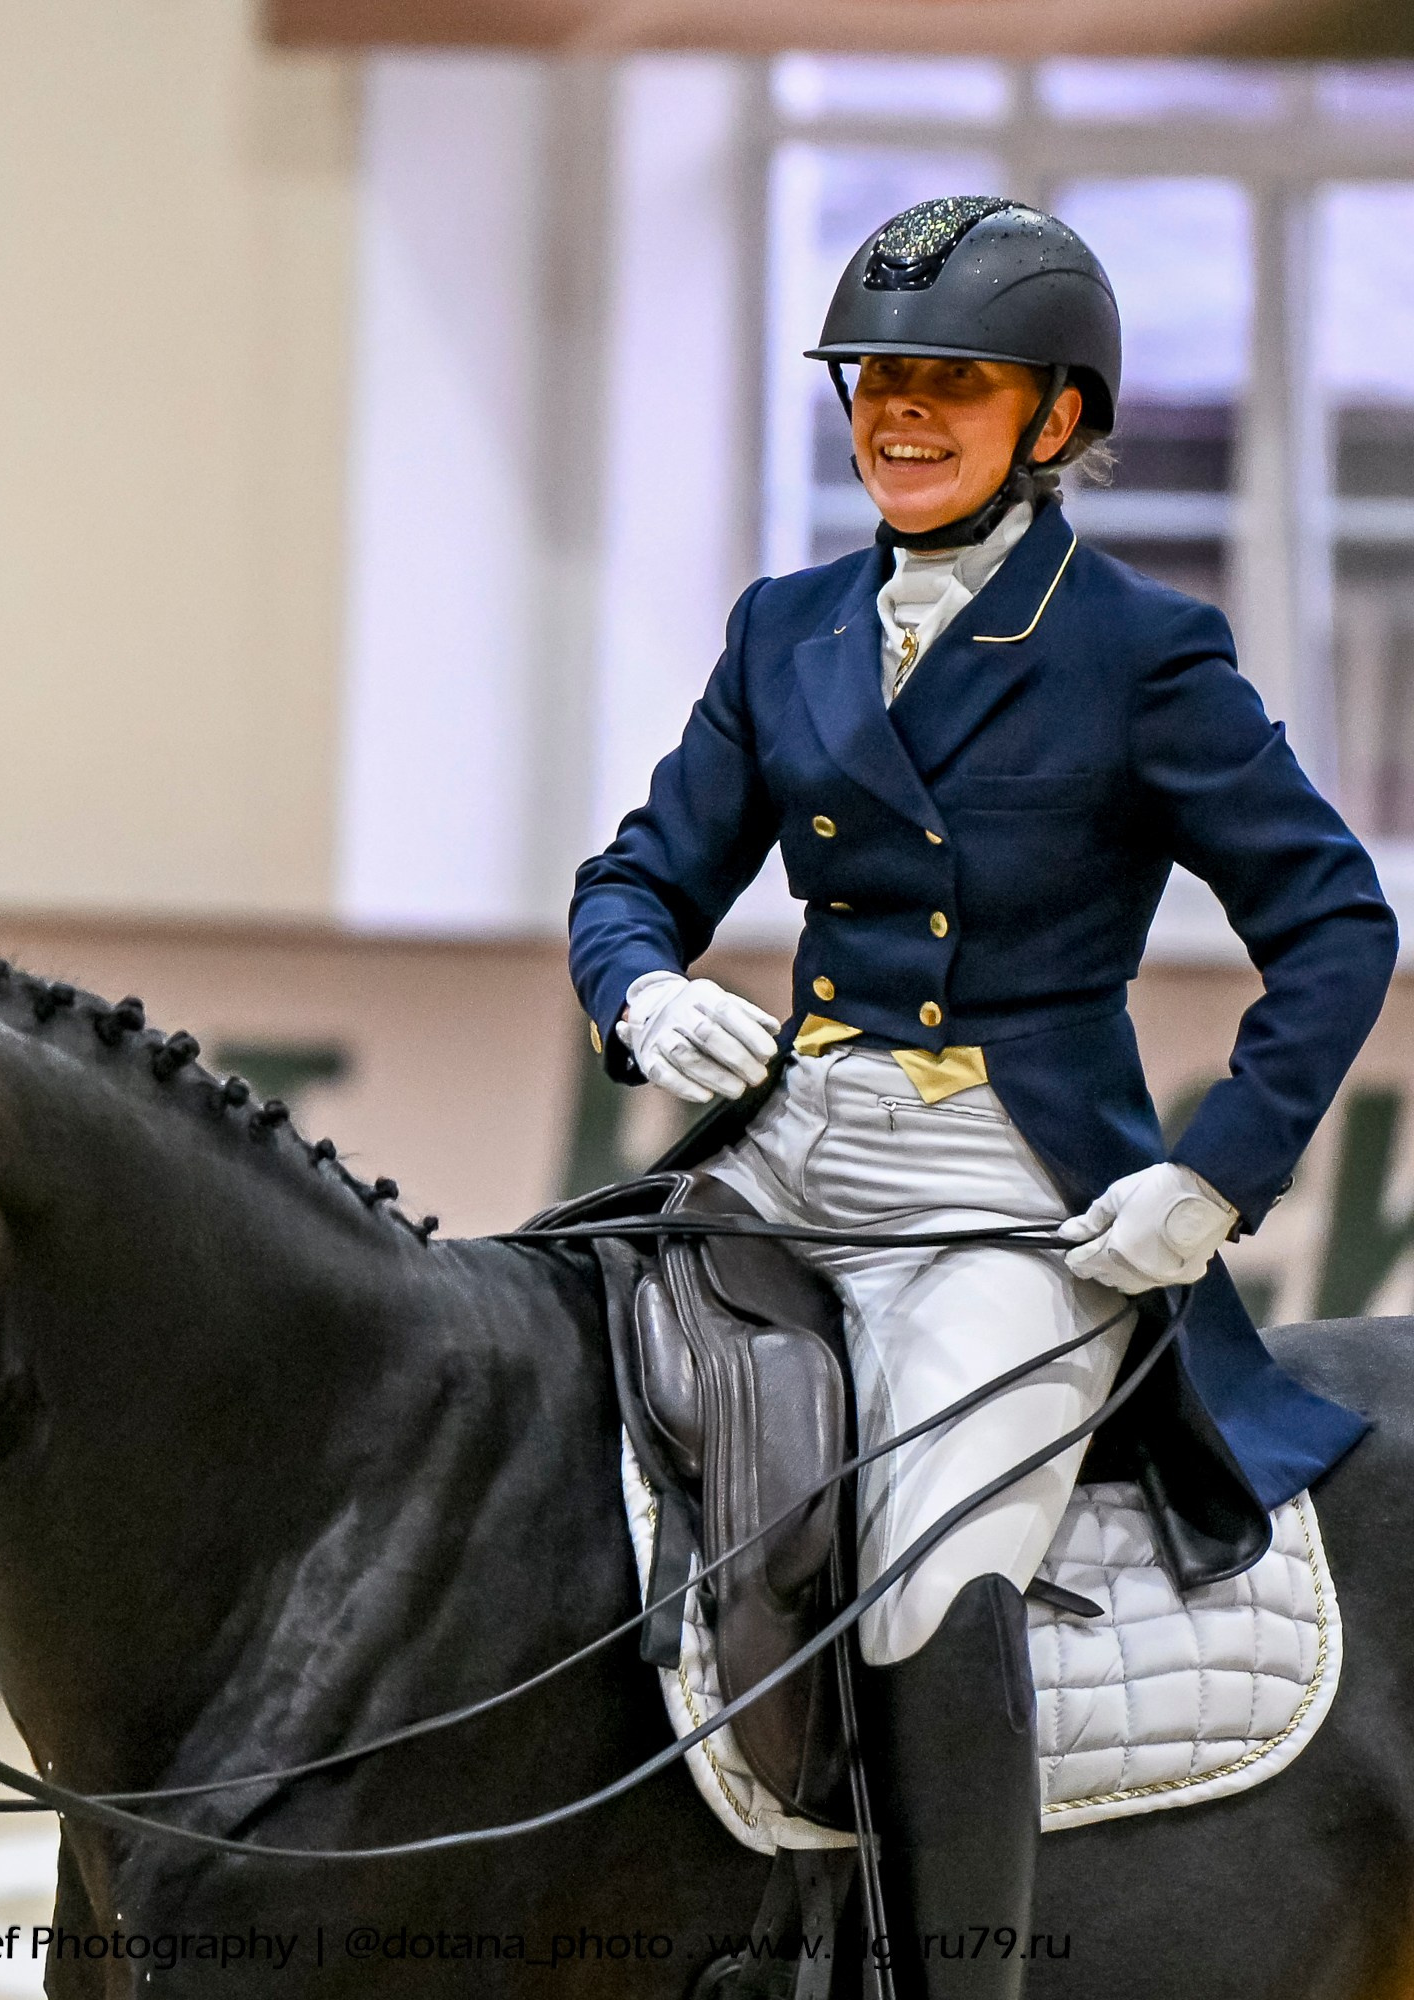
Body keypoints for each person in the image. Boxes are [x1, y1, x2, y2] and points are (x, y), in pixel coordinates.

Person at [567, 195, 1398, 1999]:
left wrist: (1211, 1178)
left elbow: (1335, 921)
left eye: (954, 380)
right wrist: (640, 988)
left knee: (932, 1557)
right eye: (876, 378)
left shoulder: (1140, 649)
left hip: (1012, 1185)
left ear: (1058, 418)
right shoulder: (784, 625)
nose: (899, 414)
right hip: (785, 1157)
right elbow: (638, 875)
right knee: (522, 1382)